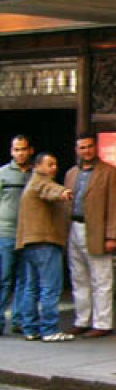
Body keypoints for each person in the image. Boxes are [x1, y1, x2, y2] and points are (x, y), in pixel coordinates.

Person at [64, 132, 116, 338]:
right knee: (78, 277)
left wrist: (111, 236)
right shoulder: (71, 173)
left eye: (89, 146)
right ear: (76, 150)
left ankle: (103, 323)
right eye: (82, 147)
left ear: (96, 147)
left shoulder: (110, 172)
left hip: (97, 231)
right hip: (74, 227)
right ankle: (81, 320)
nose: (86, 151)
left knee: (102, 278)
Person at [15, 152, 75, 342]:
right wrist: (63, 193)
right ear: (37, 166)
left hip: (29, 243)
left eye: (55, 164)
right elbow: (49, 190)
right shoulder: (41, 182)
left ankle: (30, 328)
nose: (54, 168)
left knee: (30, 288)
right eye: (50, 164)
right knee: (50, 287)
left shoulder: (31, 184)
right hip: (46, 242)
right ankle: (49, 329)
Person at [1, 134, 34, 335]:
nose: (20, 153)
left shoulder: (36, 174)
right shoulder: (3, 173)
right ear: (11, 151)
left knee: (25, 279)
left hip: (29, 234)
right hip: (5, 232)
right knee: (3, 279)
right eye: (16, 150)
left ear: (30, 150)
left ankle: (19, 319)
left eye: (23, 149)